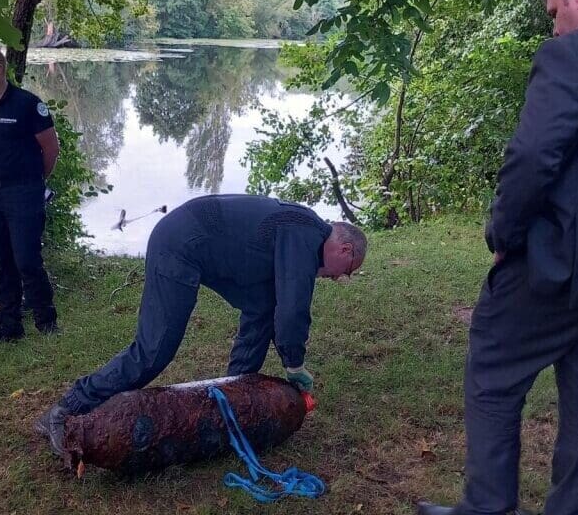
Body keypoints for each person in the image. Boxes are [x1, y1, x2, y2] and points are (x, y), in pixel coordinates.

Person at [418, 0, 578, 515]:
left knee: (493, 373)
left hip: (556, 266)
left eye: (554, 11)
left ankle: (487, 508)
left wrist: (504, 235)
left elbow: (532, 158)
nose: (555, 24)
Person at [35, 194, 367, 457]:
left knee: (262, 307)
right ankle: (67, 409)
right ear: (344, 248)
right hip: (179, 244)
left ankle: (234, 398)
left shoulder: (302, 230)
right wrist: (294, 364)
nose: (340, 277)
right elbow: (293, 311)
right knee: (154, 351)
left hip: (197, 240)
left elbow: (270, 310)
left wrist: (244, 392)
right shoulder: (306, 235)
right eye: (347, 269)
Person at [0, 46, 60, 342]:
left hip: (23, 192)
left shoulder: (27, 105)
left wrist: (32, 183)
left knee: (27, 260)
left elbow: (51, 148)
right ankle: (10, 325)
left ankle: (46, 322)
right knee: (2, 261)